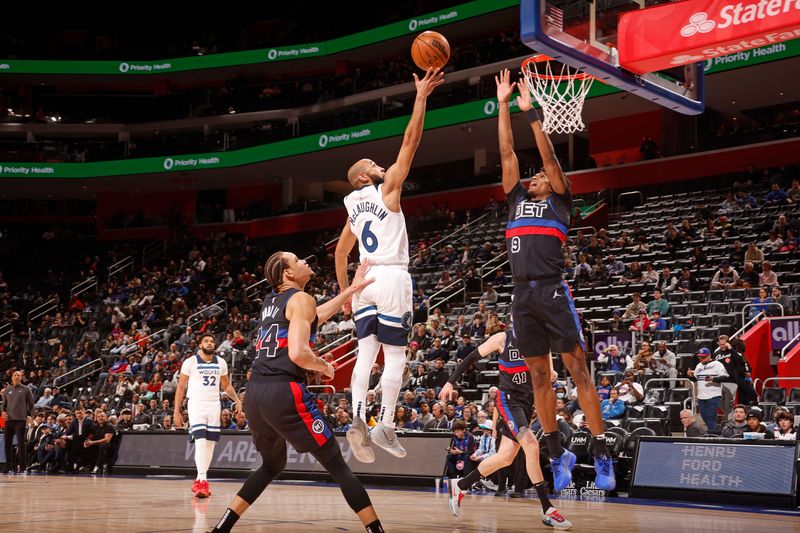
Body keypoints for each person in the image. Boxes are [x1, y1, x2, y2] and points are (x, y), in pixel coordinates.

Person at [494, 68, 614, 491]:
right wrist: (504, 106)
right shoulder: (515, 201)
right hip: (521, 298)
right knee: (540, 377)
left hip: (551, 290)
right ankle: (555, 449)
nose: (536, 176)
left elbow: (550, 160)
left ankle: (600, 450)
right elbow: (508, 153)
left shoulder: (561, 202)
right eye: (535, 177)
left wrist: (532, 115)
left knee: (578, 369)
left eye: (540, 177)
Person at [208, 252, 384, 533]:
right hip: (283, 390)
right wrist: (325, 366)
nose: (305, 261)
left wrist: (350, 290)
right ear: (288, 274)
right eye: (297, 260)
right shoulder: (301, 299)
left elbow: (315, 315)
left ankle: (221, 529)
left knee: (271, 465)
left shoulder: (271, 302)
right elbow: (300, 353)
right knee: (336, 464)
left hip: (254, 394)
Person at [335, 67, 444, 463]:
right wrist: (421, 97)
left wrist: (346, 292)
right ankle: (384, 424)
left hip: (365, 279)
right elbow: (410, 143)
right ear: (366, 175)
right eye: (374, 164)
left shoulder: (350, 206)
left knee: (366, 353)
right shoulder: (387, 191)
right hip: (393, 275)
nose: (383, 165)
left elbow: (339, 253)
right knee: (396, 356)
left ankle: (358, 417)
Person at [440, 329, 571, 529]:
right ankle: (547, 509)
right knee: (531, 445)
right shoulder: (502, 338)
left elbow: (550, 375)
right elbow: (469, 359)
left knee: (505, 457)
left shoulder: (541, 340)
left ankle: (461, 485)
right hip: (508, 401)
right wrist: (450, 383)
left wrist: (550, 374)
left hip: (527, 404)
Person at [173, 333, 243, 498]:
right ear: (200, 345)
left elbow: (226, 386)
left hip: (214, 404)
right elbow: (181, 387)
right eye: (206, 341)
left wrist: (238, 400)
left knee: (210, 444)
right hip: (196, 403)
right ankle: (203, 481)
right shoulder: (190, 362)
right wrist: (176, 411)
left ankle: (198, 478)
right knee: (201, 441)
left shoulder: (221, 362)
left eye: (212, 341)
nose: (210, 343)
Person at [1, 370, 34, 474]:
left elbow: (31, 404)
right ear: (11, 377)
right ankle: (8, 466)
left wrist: (30, 416)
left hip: (21, 420)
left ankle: (23, 467)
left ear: (21, 377)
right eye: (15, 375)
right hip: (9, 420)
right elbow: (4, 406)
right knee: (7, 444)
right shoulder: (7, 390)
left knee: (21, 444)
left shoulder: (26, 389)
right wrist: (2, 412)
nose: (16, 376)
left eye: (18, 375)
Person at [687, 348, 728, 431]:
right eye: (700, 357)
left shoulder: (717, 364)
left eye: (703, 357)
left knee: (710, 417)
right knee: (705, 417)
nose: (701, 359)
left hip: (713, 396)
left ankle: (712, 437)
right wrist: (690, 374)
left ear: (709, 356)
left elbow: (725, 377)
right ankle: (715, 432)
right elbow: (695, 378)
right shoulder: (699, 365)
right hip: (701, 397)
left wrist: (713, 379)